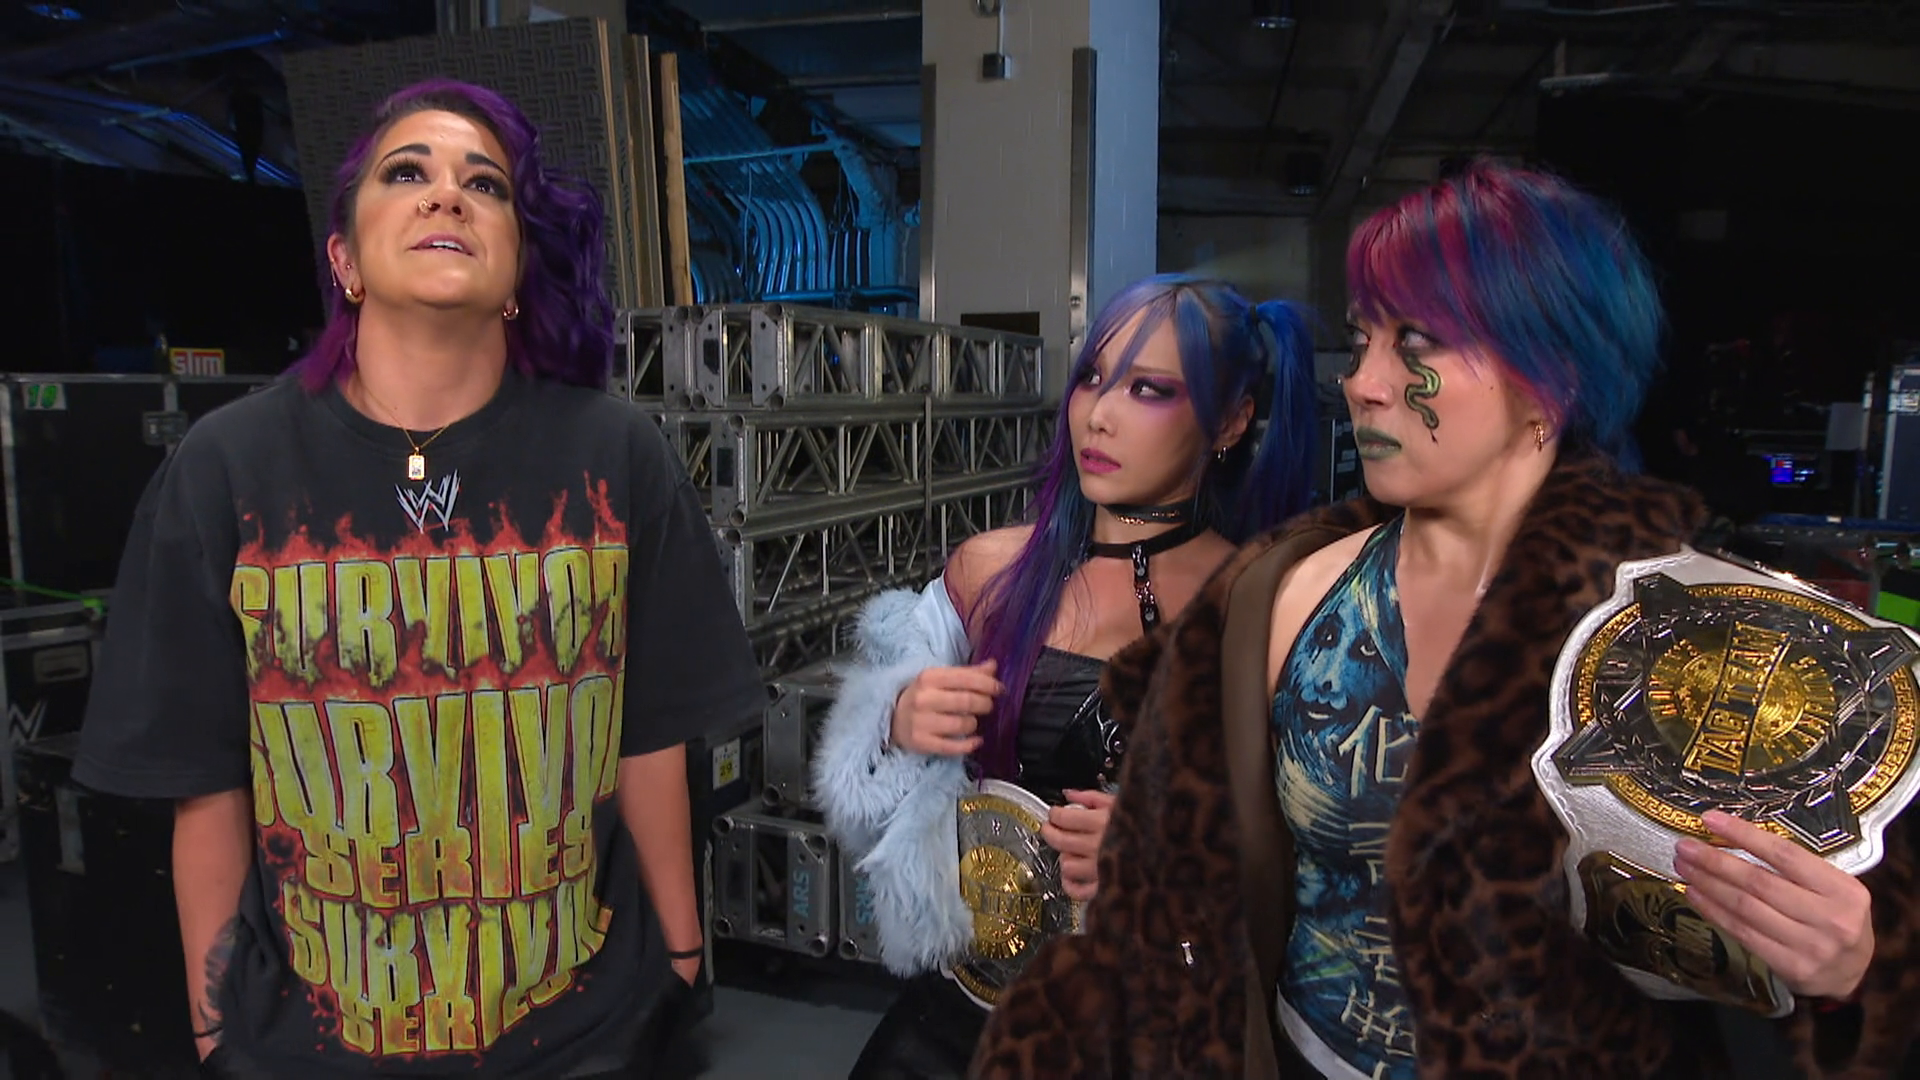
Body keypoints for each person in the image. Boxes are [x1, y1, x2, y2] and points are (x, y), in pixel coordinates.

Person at [972, 161, 1920, 1078]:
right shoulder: (1283, 593)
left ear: (1550, 377)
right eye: (1364, 340)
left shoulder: (1697, 634)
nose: (1363, 381)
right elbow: (1231, 874)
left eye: (1416, 344)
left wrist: (1845, 969)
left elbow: (1806, 953)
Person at [72, 79, 765, 1079]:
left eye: (486, 185)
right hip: (314, 1045)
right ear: (345, 260)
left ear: (518, 264)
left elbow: (651, 733)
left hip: (581, 1034)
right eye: (407, 173)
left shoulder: (616, 455)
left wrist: (682, 965)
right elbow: (205, 780)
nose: (447, 194)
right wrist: (217, 1032)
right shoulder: (226, 468)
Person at [811, 274, 1320, 1078]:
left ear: (1230, 421)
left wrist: (1173, 857)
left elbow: (1314, 860)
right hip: (961, 1010)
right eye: (1093, 378)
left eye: (1148, 389)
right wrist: (895, 719)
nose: (1099, 414)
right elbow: (861, 797)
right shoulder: (990, 572)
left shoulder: (1268, 605)